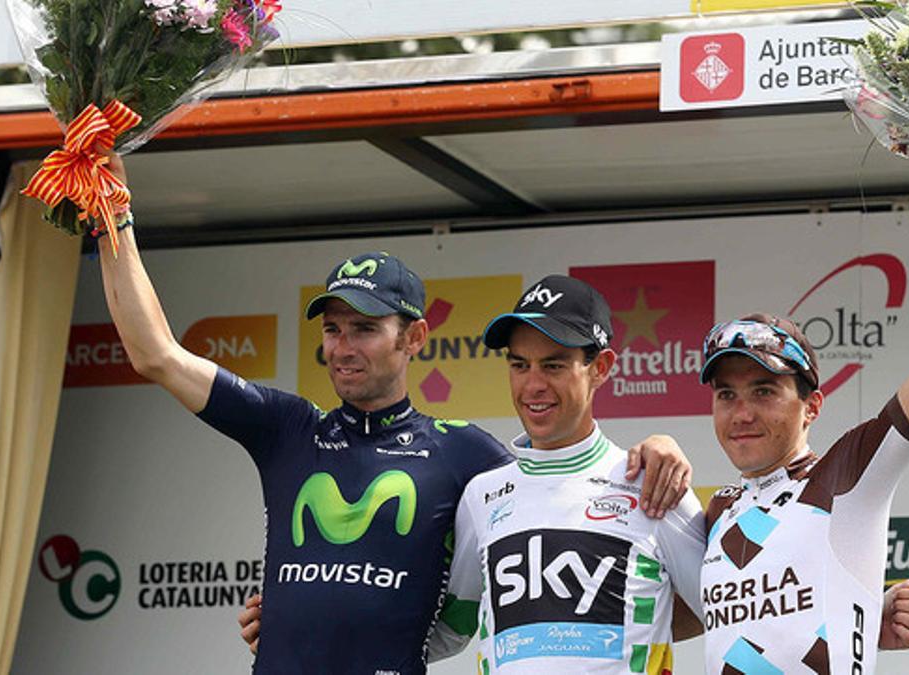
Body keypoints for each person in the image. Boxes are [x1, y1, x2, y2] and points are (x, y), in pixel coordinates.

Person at [96, 156, 690, 674]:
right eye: (332, 329)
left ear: (415, 338)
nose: (344, 346)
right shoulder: (287, 428)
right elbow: (156, 354)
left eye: (365, 328)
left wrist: (660, 446)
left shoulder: (468, 456)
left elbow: (562, 485)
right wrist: (112, 217)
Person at [424, 275, 909, 673]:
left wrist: (850, 609)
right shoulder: (482, 495)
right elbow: (455, 626)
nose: (533, 384)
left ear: (600, 368)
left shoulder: (651, 485)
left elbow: (728, 605)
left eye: (554, 365)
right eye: (519, 364)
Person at [696, 175, 909, 674]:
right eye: (726, 394)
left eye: (764, 391)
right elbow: (673, 617)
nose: (742, 413)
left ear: (812, 406)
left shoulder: (848, 474)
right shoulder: (719, 510)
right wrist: (859, 618)